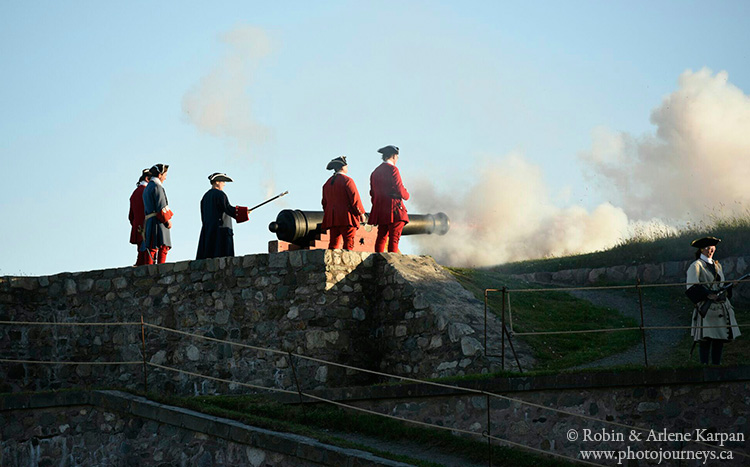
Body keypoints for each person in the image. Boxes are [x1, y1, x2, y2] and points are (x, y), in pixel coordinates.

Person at [685, 236, 741, 365]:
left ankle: (717, 367)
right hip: (708, 308)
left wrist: (729, 286)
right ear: (701, 250)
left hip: (720, 307)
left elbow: (719, 285)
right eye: (707, 248)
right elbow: (691, 287)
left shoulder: (717, 265)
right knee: (706, 340)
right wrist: (708, 295)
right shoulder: (696, 266)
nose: (711, 250)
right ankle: (704, 367)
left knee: (719, 340)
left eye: (712, 248)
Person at [196, 173, 250, 259]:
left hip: (208, 231)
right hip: (221, 231)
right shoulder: (220, 195)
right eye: (223, 181)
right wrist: (243, 212)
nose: (224, 184)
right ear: (217, 182)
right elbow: (227, 208)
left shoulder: (205, 197)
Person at [368, 145, 409, 253]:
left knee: (381, 237)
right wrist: (406, 195)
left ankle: (378, 258)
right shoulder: (393, 170)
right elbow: (399, 188)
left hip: (381, 209)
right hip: (393, 207)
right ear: (394, 156)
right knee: (394, 238)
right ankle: (392, 261)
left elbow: (372, 193)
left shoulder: (375, 172)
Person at [321, 156, 366, 250]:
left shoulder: (327, 184)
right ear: (342, 167)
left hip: (333, 219)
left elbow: (324, 203)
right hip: (347, 218)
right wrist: (361, 213)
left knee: (333, 244)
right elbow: (355, 199)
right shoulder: (348, 181)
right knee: (348, 242)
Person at [141, 164, 173, 264]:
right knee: (164, 245)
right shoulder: (157, 187)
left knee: (151, 246)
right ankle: (161, 267)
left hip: (150, 220)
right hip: (158, 221)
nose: (165, 177)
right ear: (160, 175)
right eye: (165, 175)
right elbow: (161, 207)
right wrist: (167, 221)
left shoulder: (147, 188)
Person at [128, 168, 152, 266]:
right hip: (147, 226)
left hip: (137, 226)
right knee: (148, 256)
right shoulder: (147, 191)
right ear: (147, 179)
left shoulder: (134, 193)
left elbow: (131, 216)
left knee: (141, 254)